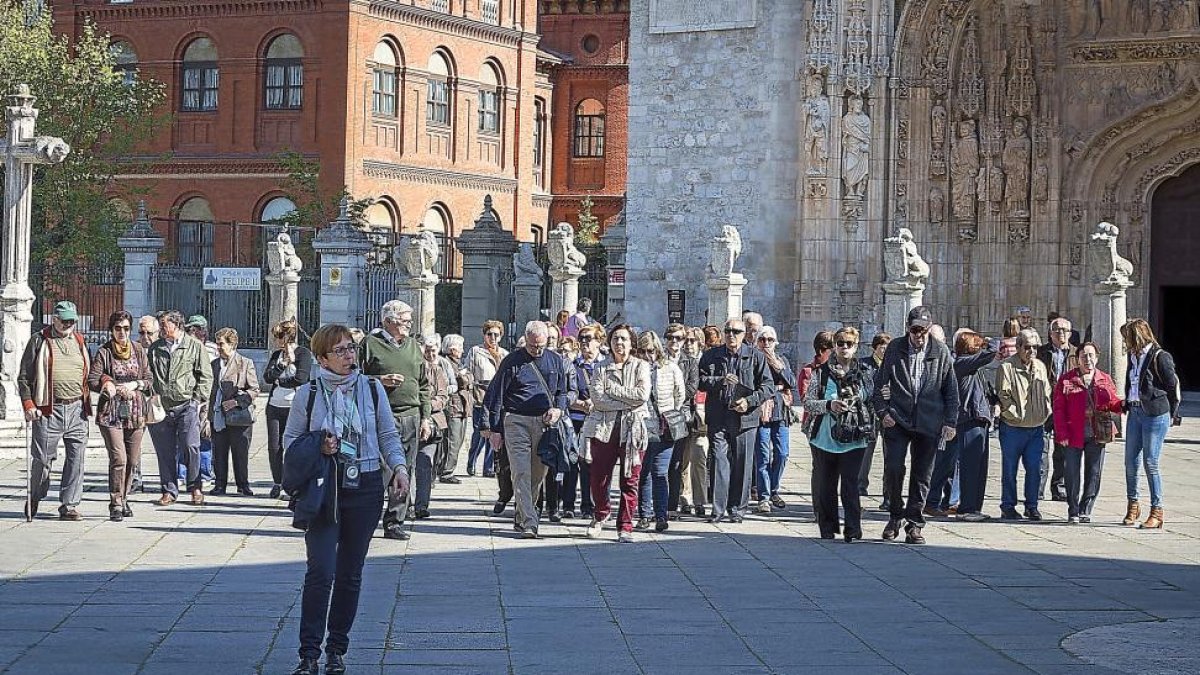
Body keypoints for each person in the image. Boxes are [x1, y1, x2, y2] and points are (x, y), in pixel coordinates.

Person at [284, 324, 408, 675]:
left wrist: (398, 467)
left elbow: (386, 432)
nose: (349, 355)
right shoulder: (308, 393)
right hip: (326, 487)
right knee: (321, 570)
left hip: (366, 486)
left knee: (350, 573)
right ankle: (308, 653)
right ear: (322, 357)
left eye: (351, 348)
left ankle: (336, 649)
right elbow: (290, 443)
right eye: (340, 350)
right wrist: (318, 445)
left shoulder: (371, 389)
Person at [871, 306, 959, 545]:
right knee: (894, 467)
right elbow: (879, 384)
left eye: (924, 331)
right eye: (915, 330)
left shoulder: (940, 351)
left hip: (928, 420)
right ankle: (894, 515)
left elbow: (950, 390)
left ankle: (915, 523)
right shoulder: (895, 348)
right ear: (907, 329)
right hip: (898, 419)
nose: (919, 336)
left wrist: (950, 422)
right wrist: (882, 412)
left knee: (922, 474)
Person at [481, 321, 574, 538]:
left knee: (537, 475)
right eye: (533, 346)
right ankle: (530, 523)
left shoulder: (554, 360)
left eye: (541, 346)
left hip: (544, 423)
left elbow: (562, 391)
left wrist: (558, 409)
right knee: (520, 471)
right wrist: (492, 428)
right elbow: (496, 395)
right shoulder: (512, 361)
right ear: (526, 340)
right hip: (516, 421)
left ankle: (521, 516)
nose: (537, 350)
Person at [358, 300, 432, 540]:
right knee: (380, 469)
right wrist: (381, 380)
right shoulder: (370, 344)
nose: (409, 325)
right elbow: (357, 379)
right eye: (405, 321)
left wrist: (426, 417)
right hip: (382, 415)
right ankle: (367, 517)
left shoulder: (413, 346)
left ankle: (394, 521)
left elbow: (423, 384)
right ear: (389, 321)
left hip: (411, 415)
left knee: (405, 469)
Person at [19, 301, 92, 521]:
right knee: (42, 460)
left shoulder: (79, 340)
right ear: (55, 319)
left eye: (72, 321)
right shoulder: (39, 340)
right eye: (65, 320)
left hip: (77, 408)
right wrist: (29, 404)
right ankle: (36, 495)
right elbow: (24, 377)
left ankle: (69, 505)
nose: (68, 325)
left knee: (76, 458)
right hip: (48, 409)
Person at [697, 318, 774, 524]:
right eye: (728, 330)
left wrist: (749, 402)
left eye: (736, 331)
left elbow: (768, 387)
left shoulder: (755, 356)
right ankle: (718, 509)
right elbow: (700, 381)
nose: (732, 335)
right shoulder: (711, 355)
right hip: (719, 416)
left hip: (745, 419)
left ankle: (737, 509)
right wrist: (719, 381)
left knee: (742, 463)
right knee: (719, 461)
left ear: (744, 334)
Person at [581, 324, 650, 542]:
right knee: (599, 477)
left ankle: (626, 525)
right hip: (604, 428)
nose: (619, 343)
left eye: (624, 339)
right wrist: (625, 402)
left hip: (633, 430)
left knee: (630, 479)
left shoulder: (641, 366)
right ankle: (601, 512)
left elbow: (642, 395)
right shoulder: (601, 368)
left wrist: (614, 391)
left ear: (631, 343)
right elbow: (598, 400)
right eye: (615, 339)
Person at [803, 326, 872, 541]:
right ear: (834, 346)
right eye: (840, 343)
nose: (844, 348)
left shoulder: (864, 373)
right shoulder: (821, 373)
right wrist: (829, 404)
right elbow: (808, 403)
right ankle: (828, 528)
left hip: (855, 437)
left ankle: (853, 528)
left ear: (856, 346)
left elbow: (873, 398)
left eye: (848, 344)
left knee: (851, 484)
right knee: (826, 484)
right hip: (824, 437)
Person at [88, 311, 152, 521]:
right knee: (119, 458)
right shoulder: (104, 352)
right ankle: (115, 502)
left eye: (126, 328)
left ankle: (124, 498)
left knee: (132, 460)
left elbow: (149, 380)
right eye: (118, 328)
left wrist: (136, 384)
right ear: (111, 330)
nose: (122, 332)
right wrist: (108, 385)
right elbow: (93, 379)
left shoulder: (139, 350)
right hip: (111, 413)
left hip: (135, 412)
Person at [147, 310, 213, 506]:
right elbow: (149, 373)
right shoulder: (155, 348)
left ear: (176, 325)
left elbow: (206, 376)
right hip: (162, 406)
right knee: (165, 450)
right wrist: (151, 395)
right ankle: (169, 490)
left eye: (164, 324)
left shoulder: (194, 346)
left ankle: (195, 487)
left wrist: (197, 399)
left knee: (190, 446)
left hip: (187, 405)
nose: (161, 328)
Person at [928, 330, 996, 521]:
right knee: (971, 466)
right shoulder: (962, 362)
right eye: (976, 343)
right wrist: (988, 341)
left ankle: (971, 507)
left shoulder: (967, 366)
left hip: (974, 419)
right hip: (968, 419)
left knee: (975, 465)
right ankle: (968, 508)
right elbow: (993, 350)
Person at [1053, 343, 1122, 524]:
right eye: (1084, 356)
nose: (1088, 360)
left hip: (1097, 432)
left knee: (1094, 472)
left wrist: (1123, 404)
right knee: (1071, 472)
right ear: (1077, 359)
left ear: (1097, 358)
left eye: (1091, 355)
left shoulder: (1104, 378)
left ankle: (1086, 509)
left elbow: (1113, 402)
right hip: (1073, 432)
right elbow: (1059, 408)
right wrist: (1061, 434)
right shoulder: (1067, 379)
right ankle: (1073, 509)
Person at [1120, 319, 1179, 529]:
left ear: (1136, 336)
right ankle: (1133, 505)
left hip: (1155, 413)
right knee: (1130, 462)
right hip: (1135, 411)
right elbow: (1131, 381)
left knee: (1151, 462)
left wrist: (1172, 413)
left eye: (1126, 337)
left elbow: (1172, 385)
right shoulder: (1132, 356)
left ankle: (1157, 510)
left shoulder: (1160, 356)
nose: (1124, 342)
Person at [995, 329, 1053, 521]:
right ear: (1018, 347)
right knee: (1010, 469)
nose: (1032, 351)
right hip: (1013, 427)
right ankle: (1008, 506)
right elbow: (1003, 395)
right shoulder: (1006, 367)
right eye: (1027, 347)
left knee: (1035, 468)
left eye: (1035, 347)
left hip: (1036, 426)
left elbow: (1046, 390)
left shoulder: (1040, 367)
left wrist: (1045, 410)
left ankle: (1032, 506)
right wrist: (1012, 413)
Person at [634, 330, 686, 533]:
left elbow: (680, 394)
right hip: (643, 425)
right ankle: (645, 515)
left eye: (652, 351)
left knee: (660, 472)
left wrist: (669, 412)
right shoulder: (636, 369)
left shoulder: (671, 368)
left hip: (665, 427)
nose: (649, 356)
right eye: (644, 351)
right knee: (644, 472)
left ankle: (661, 515)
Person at [264, 320, 314, 499]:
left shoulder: (303, 353)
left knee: (294, 446)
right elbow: (268, 377)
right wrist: (282, 365)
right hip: (275, 406)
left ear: (286, 337)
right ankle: (278, 482)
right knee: (274, 446)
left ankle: (295, 483)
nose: (276, 341)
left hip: (295, 405)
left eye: (278, 337)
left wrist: (282, 381)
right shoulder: (277, 354)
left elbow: (301, 378)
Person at [208, 328, 261, 497]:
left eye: (221, 344)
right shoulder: (214, 364)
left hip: (239, 416)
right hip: (218, 414)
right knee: (219, 451)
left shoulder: (245, 363)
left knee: (240, 452)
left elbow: (254, 389)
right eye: (217, 343)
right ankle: (220, 484)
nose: (218, 347)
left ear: (232, 344)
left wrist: (237, 402)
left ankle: (242, 484)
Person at [566, 323, 608, 520]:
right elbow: (567, 394)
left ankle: (595, 503)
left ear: (599, 341)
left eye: (588, 338)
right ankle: (574, 504)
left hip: (601, 421)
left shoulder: (607, 365)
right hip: (578, 419)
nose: (584, 342)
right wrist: (583, 404)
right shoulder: (574, 366)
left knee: (596, 464)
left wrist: (598, 402)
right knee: (576, 460)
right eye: (581, 338)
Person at [754, 325, 796, 513]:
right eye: (763, 339)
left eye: (770, 340)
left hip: (780, 412)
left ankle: (773, 489)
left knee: (782, 453)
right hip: (761, 413)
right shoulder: (753, 360)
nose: (766, 343)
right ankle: (763, 496)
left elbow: (791, 382)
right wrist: (776, 388)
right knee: (763, 455)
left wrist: (778, 368)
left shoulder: (782, 360)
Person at [665, 324, 702, 518]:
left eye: (678, 338)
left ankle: (671, 504)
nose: (674, 341)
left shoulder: (690, 362)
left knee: (677, 462)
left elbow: (692, 387)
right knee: (659, 463)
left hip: (680, 414)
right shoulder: (659, 359)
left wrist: (672, 399)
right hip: (661, 415)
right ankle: (659, 502)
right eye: (670, 337)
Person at [1038, 316, 1074, 502]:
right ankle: (1038, 489)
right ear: (1050, 333)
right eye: (1057, 330)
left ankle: (1059, 488)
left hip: (1066, 408)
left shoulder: (1076, 354)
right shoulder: (1040, 353)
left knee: (1063, 450)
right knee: (1040, 450)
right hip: (1045, 406)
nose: (1061, 333)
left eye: (1065, 330)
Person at [415, 334, 452, 519]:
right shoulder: (410, 370)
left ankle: (421, 505)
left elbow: (443, 396)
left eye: (432, 350)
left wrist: (427, 406)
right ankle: (402, 504)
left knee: (425, 464)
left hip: (433, 424)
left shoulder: (437, 371)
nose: (428, 354)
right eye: (425, 350)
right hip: (410, 421)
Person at [466, 321, 508, 479]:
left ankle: (489, 467)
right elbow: (468, 371)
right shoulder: (476, 351)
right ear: (484, 335)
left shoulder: (504, 354)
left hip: (498, 398)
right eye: (489, 334)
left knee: (494, 430)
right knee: (479, 433)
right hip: (481, 396)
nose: (492, 338)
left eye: (496, 335)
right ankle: (472, 461)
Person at [856, 332, 891, 500]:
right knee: (865, 451)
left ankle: (888, 491)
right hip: (869, 413)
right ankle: (860, 485)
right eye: (882, 348)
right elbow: (861, 388)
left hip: (888, 414)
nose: (884, 351)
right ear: (874, 348)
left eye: (886, 348)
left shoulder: (893, 365)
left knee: (890, 453)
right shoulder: (863, 365)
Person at [439, 334, 471, 484]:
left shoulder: (457, 363)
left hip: (460, 406)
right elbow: (462, 381)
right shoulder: (446, 363)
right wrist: (464, 378)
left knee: (456, 440)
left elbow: (469, 379)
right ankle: (446, 471)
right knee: (453, 440)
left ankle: (447, 469)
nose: (462, 351)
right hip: (453, 407)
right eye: (460, 347)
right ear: (452, 350)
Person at [796, 331, 835, 427]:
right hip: (815, 422)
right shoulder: (808, 371)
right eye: (832, 351)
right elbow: (806, 400)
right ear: (821, 351)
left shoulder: (838, 370)